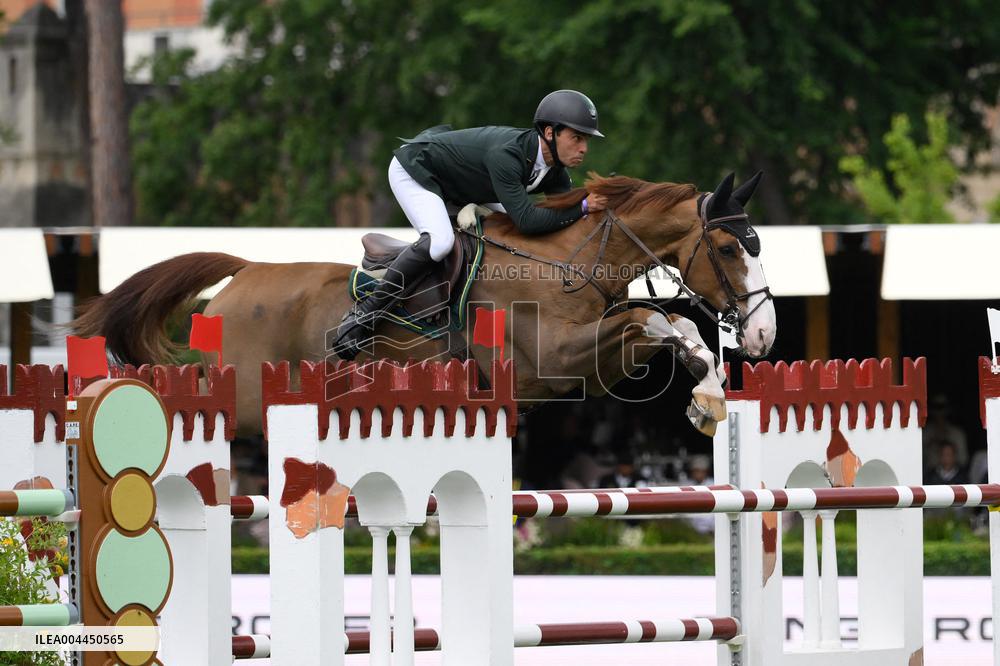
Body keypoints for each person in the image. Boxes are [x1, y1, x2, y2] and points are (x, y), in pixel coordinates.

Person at [333, 90, 608, 359]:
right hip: (417, 170)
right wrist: (583, 206)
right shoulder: (508, 155)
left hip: (463, 185)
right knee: (441, 243)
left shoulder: (555, 171)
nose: (584, 148)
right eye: (577, 138)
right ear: (550, 133)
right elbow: (528, 221)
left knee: (506, 236)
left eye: (585, 140)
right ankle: (365, 313)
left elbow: (564, 222)